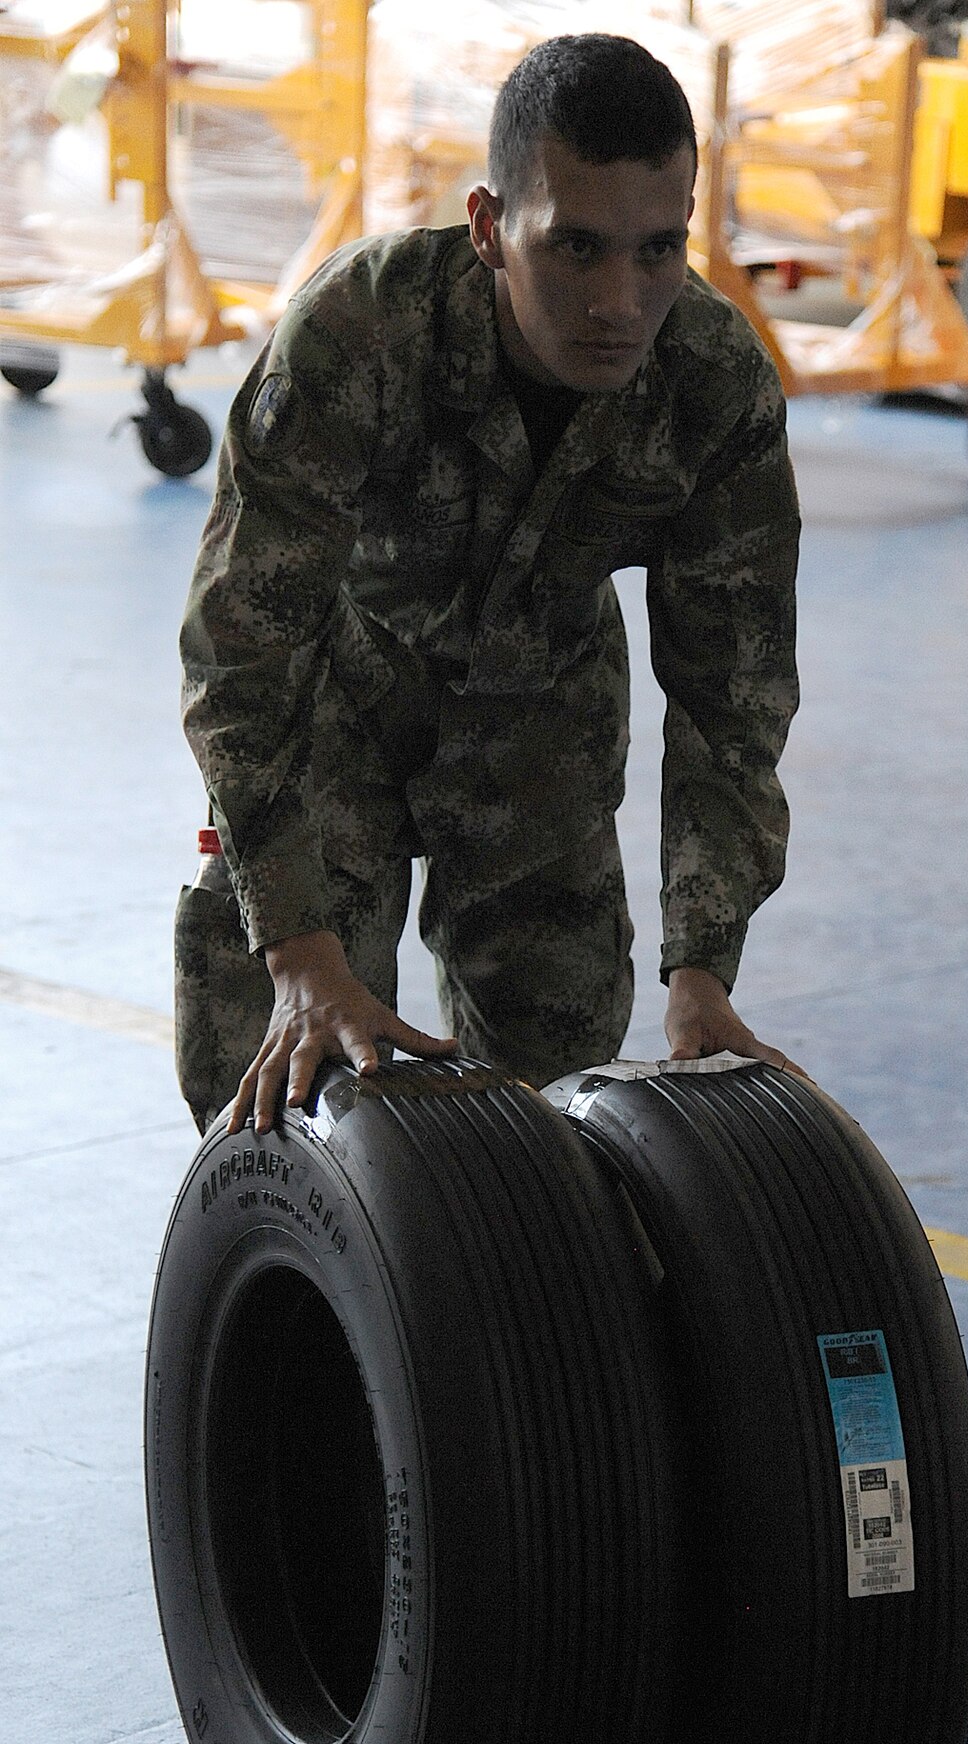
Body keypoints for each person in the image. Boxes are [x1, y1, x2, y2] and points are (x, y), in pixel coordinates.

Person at [175, 32, 802, 1137]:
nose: (622, 299)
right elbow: (241, 650)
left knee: (558, 1117)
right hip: (341, 711)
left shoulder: (714, 387)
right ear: (487, 227)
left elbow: (732, 700)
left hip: (542, 729)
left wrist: (703, 967)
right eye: (576, 249)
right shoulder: (359, 332)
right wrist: (300, 949)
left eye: (659, 249)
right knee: (271, 1092)